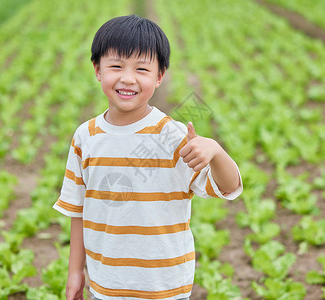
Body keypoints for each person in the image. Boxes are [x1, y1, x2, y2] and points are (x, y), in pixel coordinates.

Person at [53, 14, 243, 300]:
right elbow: (78, 210)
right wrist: (75, 271)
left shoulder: (172, 136)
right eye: (116, 66)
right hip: (106, 284)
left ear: (159, 77)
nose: (127, 78)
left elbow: (228, 187)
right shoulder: (86, 136)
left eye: (142, 69)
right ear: (97, 70)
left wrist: (215, 151)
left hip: (164, 286)